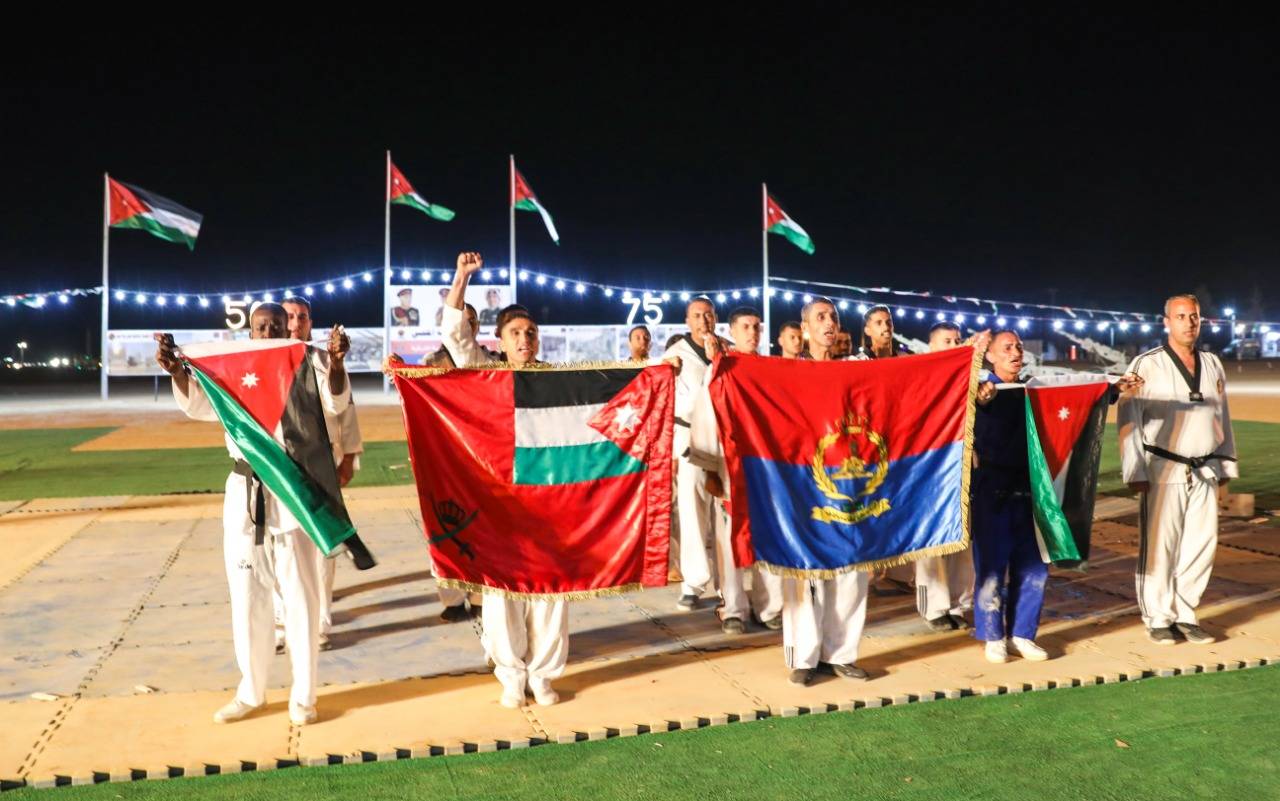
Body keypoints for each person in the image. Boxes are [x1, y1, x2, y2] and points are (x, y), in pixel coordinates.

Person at [155, 304, 351, 725]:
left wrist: (336, 364)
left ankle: (304, 697)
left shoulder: (309, 360)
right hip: (244, 489)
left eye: (276, 325)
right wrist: (177, 371)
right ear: (250, 330)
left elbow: (335, 402)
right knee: (247, 594)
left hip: (293, 490)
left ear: (288, 328)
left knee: (301, 595)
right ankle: (251, 692)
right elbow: (199, 405)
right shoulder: (233, 365)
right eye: (261, 327)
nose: (268, 332)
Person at [441, 251, 566, 708]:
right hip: (498, 498)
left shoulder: (560, 380)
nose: (525, 339)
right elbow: (455, 336)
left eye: (531, 332)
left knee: (551, 589)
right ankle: (511, 675)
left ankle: (544, 675)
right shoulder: (486, 373)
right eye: (515, 333)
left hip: (547, 498)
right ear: (500, 340)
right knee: (501, 589)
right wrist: (461, 277)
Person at [1119, 294, 1237, 645]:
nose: (1189, 322)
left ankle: (1186, 613)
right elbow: (1128, 417)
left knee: (1201, 545)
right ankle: (1158, 617)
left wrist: (1225, 465)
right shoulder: (1146, 364)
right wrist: (1134, 470)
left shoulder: (1212, 363)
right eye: (1181, 316)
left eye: (1194, 316)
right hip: (1163, 467)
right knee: (1161, 545)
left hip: (1204, 467)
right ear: (1166, 322)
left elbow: (1222, 416)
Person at [783, 297, 870, 685]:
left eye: (833, 316)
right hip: (803, 480)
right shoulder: (788, 372)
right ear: (805, 328)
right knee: (805, 570)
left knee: (851, 569)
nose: (829, 322)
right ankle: (803, 656)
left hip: (848, 480)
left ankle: (841, 653)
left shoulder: (855, 371)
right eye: (820, 317)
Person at [277, 296, 365, 649]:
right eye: (289, 316)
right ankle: (281, 622)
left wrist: (349, 458)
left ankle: (318, 623)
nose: (296, 322)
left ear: (310, 323)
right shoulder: (262, 363)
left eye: (303, 316)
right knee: (279, 546)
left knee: (322, 545)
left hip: (321, 466)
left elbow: (345, 409)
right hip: (279, 465)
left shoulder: (325, 360)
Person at [690, 307, 783, 633]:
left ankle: (769, 606)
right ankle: (733, 608)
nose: (752, 333)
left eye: (757, 326)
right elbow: (706, 417)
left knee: (768, 537)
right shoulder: (720, 369)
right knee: (729, 540)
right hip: (731, 467)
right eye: (745, 327)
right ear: (732, 330)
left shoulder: (771, 370)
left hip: (766, 468)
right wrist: (709, 470)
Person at [970, 330, 1051, 663]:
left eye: (1018, 346)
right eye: (1006, 348)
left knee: (1034, 565)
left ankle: (1023, 633)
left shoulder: (1032, 390)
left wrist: (1113, 390)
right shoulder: (980, 390)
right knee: (991, 566)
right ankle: (993, 635)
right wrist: (977, 399)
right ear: (990, 356)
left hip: (1031, 489)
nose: (1015, 352)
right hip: (992, 490)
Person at [664, 298, 727, 610]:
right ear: (687, 321)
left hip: (723, 438)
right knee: (691, 509)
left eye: (708, 315)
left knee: (724, 513)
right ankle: (693, 581)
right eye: (697, 315)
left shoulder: (727, 349)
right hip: (689, 435)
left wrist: (720, 360)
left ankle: (727, 585)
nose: (704, 321)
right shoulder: (675, 355)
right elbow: (661, 396)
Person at [914, 322, 975, 631]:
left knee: (963, 541)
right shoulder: (920, 378)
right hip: (930, 471)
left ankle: (960, 603)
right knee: (933, 542)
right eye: (946, 341)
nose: (953, 345)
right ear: (931, 346)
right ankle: (934, 608)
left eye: (957, 340)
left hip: (961, 468)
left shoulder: (970, 377)